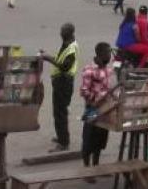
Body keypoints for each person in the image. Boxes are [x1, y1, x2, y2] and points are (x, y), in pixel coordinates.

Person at [40, 23, 80, 152]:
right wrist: (47, 55)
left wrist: (48, 59)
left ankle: (63, 142)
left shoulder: (71, 49)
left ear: (69, 33)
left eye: (63, 32)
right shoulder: (66, 44)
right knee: (58, 111)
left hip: (64, 82)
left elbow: (64, 66)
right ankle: (61, 136)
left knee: (60, 112)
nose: (61, 34)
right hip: (60, 82)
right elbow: (59, 59)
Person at [79, 42, 113, 175]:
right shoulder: (89, 70)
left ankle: (96, 167)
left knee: (100, 139)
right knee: (89, 139)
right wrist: (95, 100)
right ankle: (87, 170)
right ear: (100, 54)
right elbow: (84, 91)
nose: (109, 56)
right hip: (93, 109)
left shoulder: (107, 69)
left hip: (105, 108)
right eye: (107, 53)